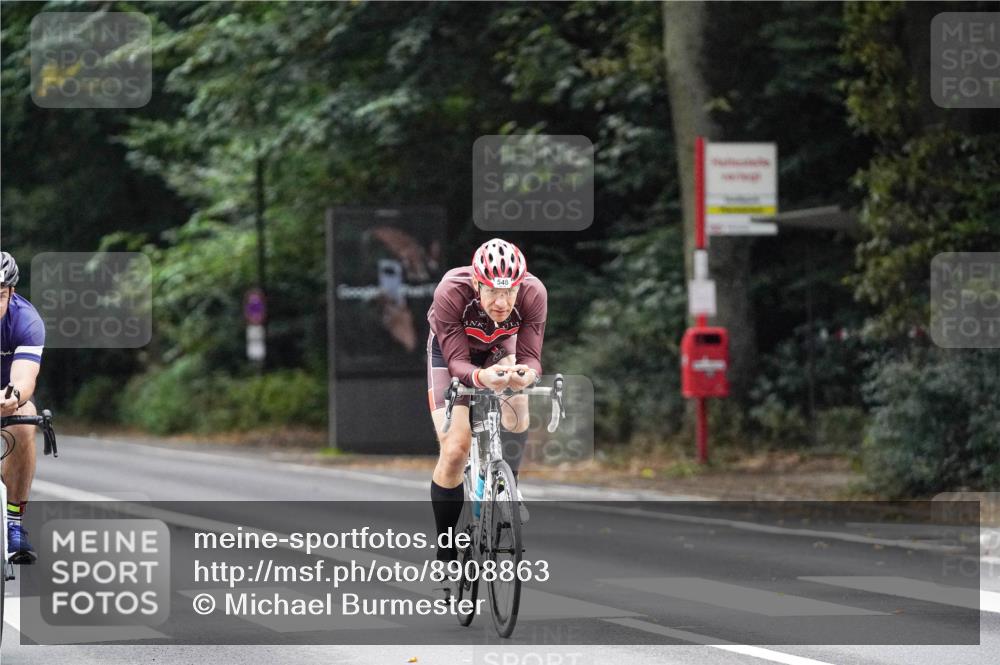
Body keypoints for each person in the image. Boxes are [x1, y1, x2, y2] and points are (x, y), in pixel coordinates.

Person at [426, 238, 547, 567]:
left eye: (510, 292)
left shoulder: (534, 292)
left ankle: (508, 486)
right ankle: (447, 547)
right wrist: (481, 378)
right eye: (492, 291)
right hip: (451, 354)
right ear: (477, 283)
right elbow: (457, 365)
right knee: (455, 448)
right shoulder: (451, 290)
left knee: (518, 403)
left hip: (498, 347)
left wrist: (526, 375)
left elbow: (531, 359)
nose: (501, 302)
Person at [0, 251, 46, 564]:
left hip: (4, 392)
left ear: (12, 292)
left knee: (24, 420)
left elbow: (24, 379)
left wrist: (13, 396)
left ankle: (14, 523)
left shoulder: (27, 321)